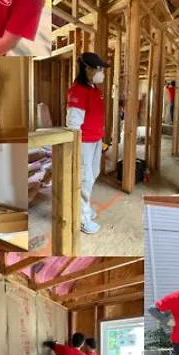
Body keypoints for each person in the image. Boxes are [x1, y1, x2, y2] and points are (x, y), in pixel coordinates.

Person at [67, 52, 110, 234]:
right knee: (84, 178)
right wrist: (76, 147)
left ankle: (83, 209)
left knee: (93, 174)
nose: (101, 72)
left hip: (95, 140)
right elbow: (74, 124)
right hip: (83, 142)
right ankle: (82, 219)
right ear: (87, 69)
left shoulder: (95, 90)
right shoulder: (78, 90)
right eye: (98, 68)